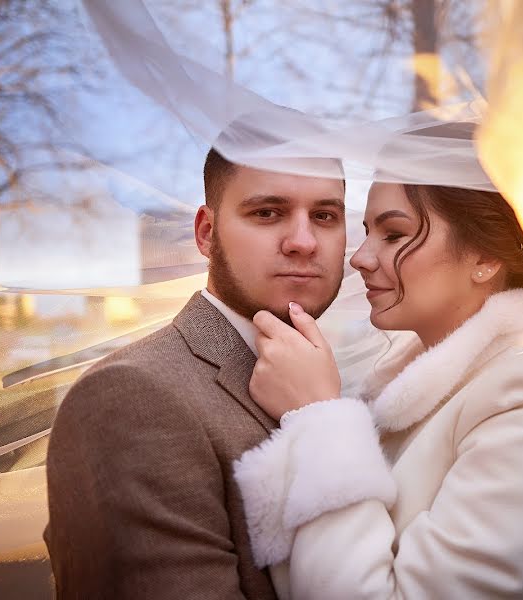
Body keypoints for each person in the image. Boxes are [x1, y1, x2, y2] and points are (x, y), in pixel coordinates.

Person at [235, 172, 523, 598]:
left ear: (484, 258)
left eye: (394, 234)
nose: (360, 258)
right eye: (366, 233)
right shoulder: (395, 397)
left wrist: (319, 416)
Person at [44, 149, 347, 599]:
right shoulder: (131, 396)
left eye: (324, 215)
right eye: (268, 213)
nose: (303, 241)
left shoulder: (340, 380)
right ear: (207, 234)